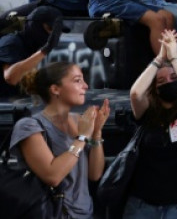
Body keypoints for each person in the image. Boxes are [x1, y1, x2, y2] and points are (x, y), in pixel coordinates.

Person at [10, 62, 110, 219]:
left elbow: (95, 174)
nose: (85, 86)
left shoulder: (79, 121)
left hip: (85, 213)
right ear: (55, 89)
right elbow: (53, 176)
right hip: (53, 213)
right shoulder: (29, 126)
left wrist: (96, 132)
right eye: (77, 80)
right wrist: (82, 137)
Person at [125, 29, 177, 218]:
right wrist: (159, 58)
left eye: (174, 79)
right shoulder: (147, 112)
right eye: (161, 80)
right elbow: (136, 93)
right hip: (142, 206)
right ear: (155, 88)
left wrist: (175, 58)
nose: (168, 82)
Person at [0, 5, 63, 97]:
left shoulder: (33, 47)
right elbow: (11, 78)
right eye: (50, 29)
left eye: (56, 32)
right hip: (5, 107)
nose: (52, 35)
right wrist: (44, 51)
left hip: (22, 104)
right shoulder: (11, 43)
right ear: (35, 25)